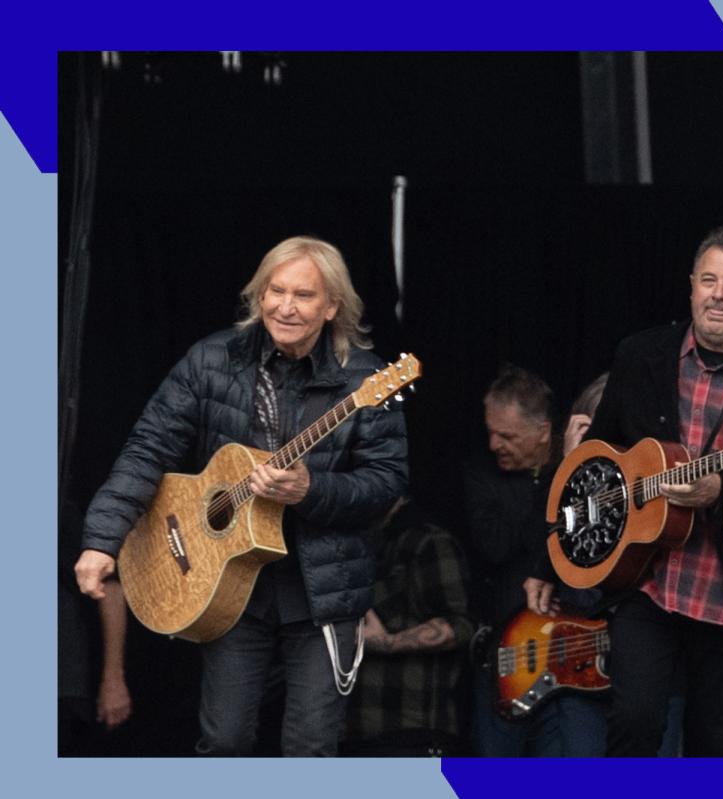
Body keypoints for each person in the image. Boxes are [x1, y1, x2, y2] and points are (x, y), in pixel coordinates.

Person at [74, 235, 408, 756]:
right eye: (276, 291)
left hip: (322, 593)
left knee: (311, 749)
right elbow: (148, 448)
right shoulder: (212, 360)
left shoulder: (367, 380)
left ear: (332, 307)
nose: (286, 306)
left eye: (304, 295)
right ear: (259, 294)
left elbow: (386, 483)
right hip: (225, 583)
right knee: (223, 741)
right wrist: (102, 539)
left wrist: (311, 490)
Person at [527, 226, 723, 757]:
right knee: (635, 722)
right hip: (647, 581)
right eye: (708, 280)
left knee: (719, 747)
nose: (717, 294)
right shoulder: (641, 354)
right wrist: (552, 559)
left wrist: (720, 490)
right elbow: (596, 462)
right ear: (690, 286)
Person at [463, 366, 608, 756]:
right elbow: (495, 546)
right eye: (491, 432)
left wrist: (566, 471)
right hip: (507, 648)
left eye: (507, 436)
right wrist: (553, 481)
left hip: (570, 651)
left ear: (544, 432)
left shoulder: (576, 467)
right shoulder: (483, 474)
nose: (495, 444)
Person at [342, 497, 474, 756]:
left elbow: (461, 626)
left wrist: (389, 643)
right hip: (352, 731)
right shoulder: (360, 544)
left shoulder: (428, 541)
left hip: (410, 732)